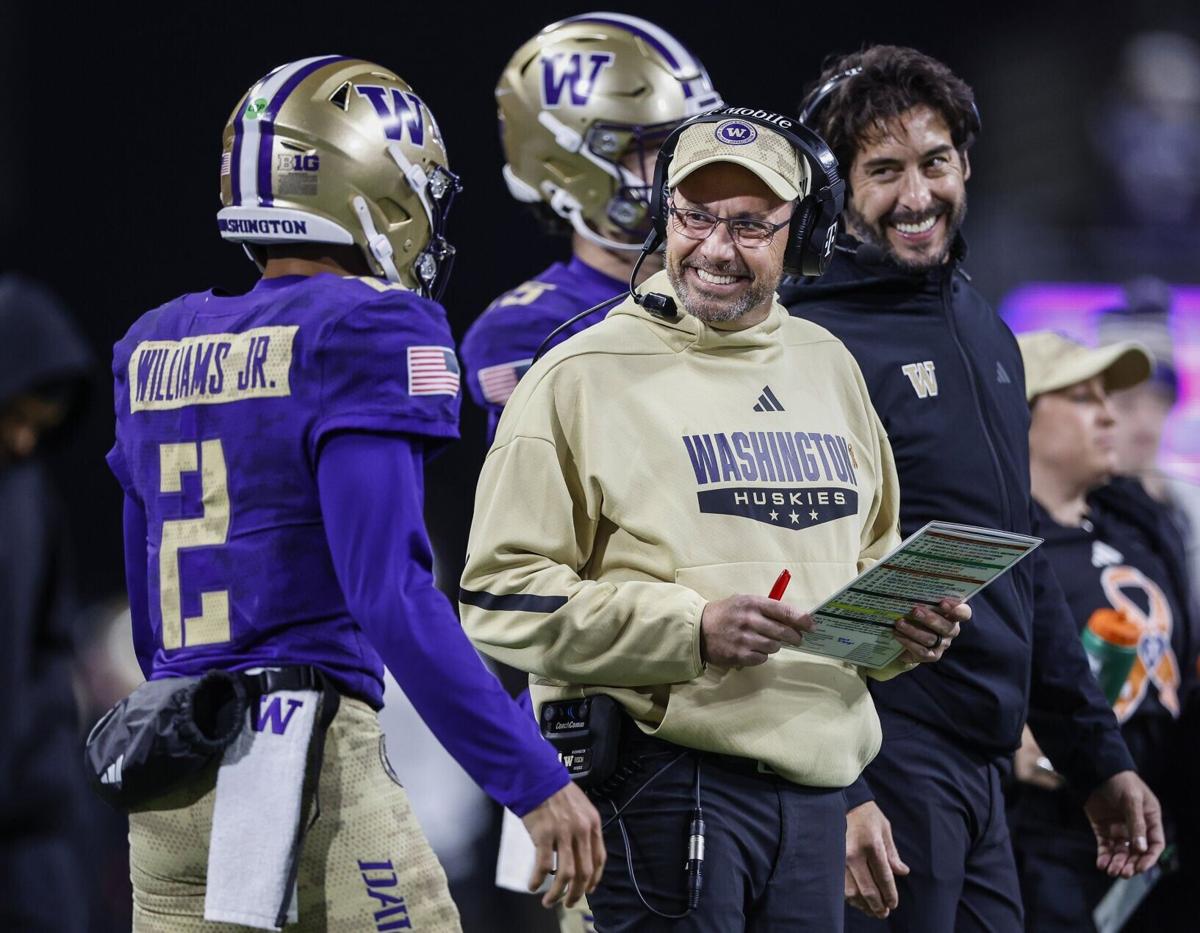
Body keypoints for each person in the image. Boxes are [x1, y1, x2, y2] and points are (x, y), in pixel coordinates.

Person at [105, 56, 602, 932]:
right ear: (373, 183)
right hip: (305, 761)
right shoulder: (368, 325)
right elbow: (391, 593)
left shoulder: (152, 345)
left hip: (172, 766)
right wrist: (532, 777)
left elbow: (153, 618)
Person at [461, 106, 969, 932]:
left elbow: (865, 563)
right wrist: (689, 628)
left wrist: (901, 633)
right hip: (661, 790)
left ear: (800, 238)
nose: (716, 248)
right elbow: (500, 596)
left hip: (815, 801)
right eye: (693, 217)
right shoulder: (580, 370)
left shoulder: (828, 366)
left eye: (749, 225)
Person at [783, 45, 1164, 932]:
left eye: (934, 162)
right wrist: (844, 787)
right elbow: (778, 568)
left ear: (965, 164)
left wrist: (1096, 757)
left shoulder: (986, 328)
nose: (917, 196)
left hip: (983, 770)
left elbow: (1016, 568)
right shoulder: (804, 342)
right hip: (884, 753)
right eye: (883, 171)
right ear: (834, 188)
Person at [1007, 331, 1198, 931]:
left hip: (1159, 830)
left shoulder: (1140, 524)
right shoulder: (1002, 543)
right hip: (1050, 837)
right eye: (1086, 398)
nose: (1110, 415)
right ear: (1025, 416)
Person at [461, 12, 722, 444]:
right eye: (661, 149)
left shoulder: (745, 284)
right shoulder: (535, 326)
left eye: (697, 145)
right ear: (569, 171)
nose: (692, 170)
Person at [0, 275, 92, 930]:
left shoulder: (26, 493)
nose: (25, 441)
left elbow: (51, 634)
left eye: (40, 426)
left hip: (27, 819)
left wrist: (49, 757)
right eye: (15, 415)